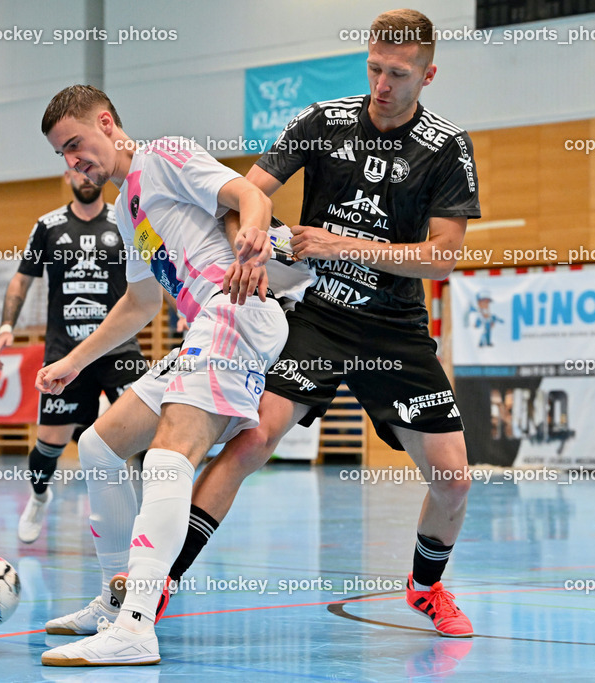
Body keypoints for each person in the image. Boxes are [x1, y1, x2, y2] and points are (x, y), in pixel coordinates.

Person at [167, 8, 481, 638]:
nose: (382, 84)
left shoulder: (446, 147)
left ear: (428, 75)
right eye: (374, 68)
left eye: (398, 73)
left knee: (453, 479)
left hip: (394, 327)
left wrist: (340, 244)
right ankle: (162, 579)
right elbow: (240, 197)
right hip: (315, 315)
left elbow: (442, 257)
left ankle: (425, 588)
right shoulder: (321, 122)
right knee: (253, 441)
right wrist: (247, 246)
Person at [35, 84, 288, 667]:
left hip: (234, 310)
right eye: (62, 155)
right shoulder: (127, 207)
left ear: (106, 122)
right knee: (99, 445)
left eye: (75, 144)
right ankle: (113, 598)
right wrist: (74, 362)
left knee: (167, 457)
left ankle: (136, 627)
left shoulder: (163, 156)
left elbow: (248, 193)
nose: (73, 162)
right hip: (199, 329)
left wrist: (251, 238)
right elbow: (141, 300)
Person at [0, 169, 147, 544]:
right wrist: (6, 326)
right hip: (66, 353)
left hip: (117, 347)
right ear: (67, 178)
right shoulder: (48, 226)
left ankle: (147, 520)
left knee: (149, 433)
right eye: (76, 171)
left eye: (90, 171)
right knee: (48, 446)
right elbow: (21, 279)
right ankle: (39, 496)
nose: (85, 177)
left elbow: (153, 272)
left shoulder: (124, 217)